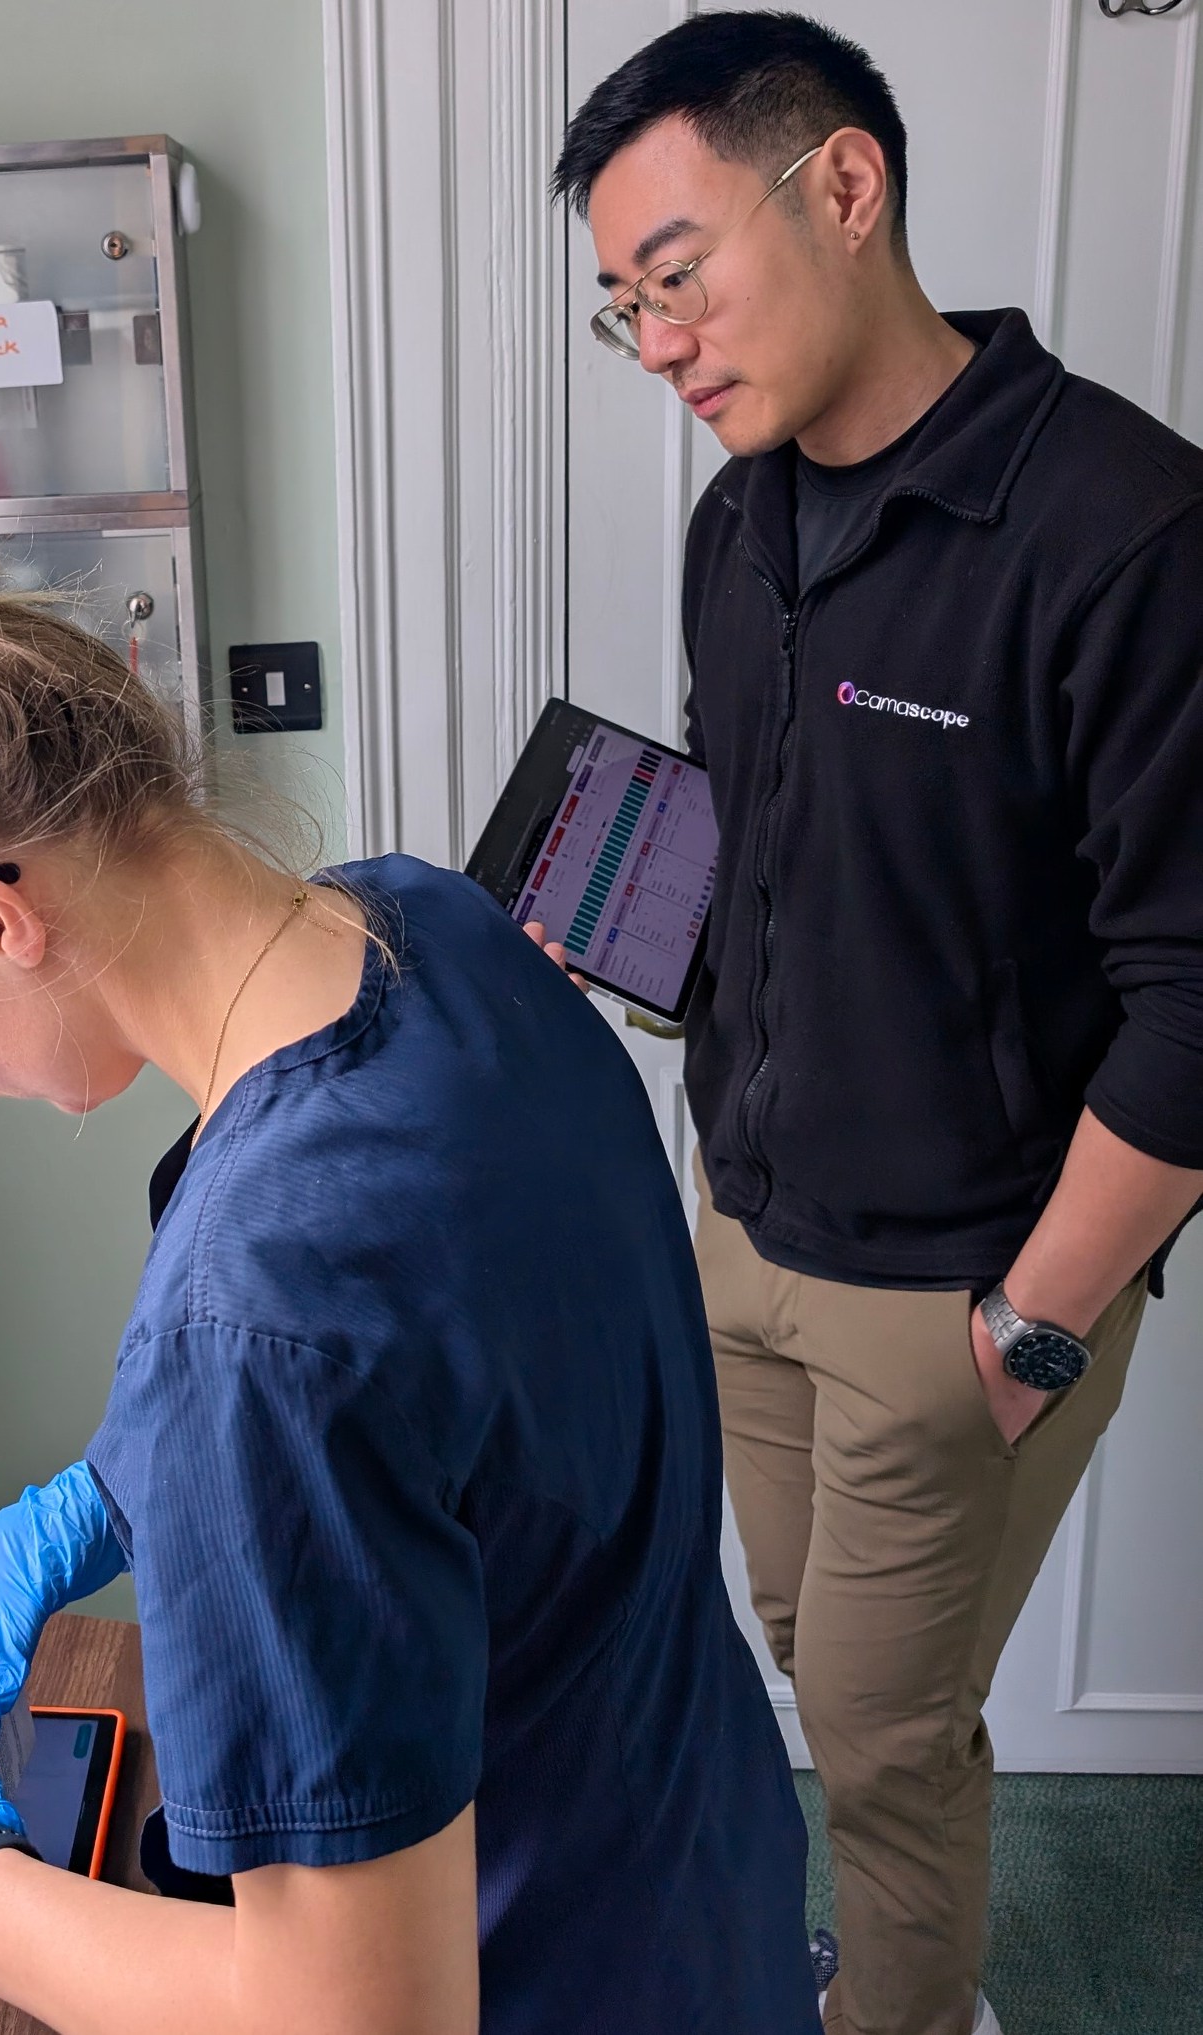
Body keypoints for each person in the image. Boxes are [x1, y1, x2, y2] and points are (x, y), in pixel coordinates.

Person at [0, 439, 815, 2033]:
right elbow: (452, 1374)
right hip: (697, 1881)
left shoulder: (252, 1325)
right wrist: (108, 1495)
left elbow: (353, 2024)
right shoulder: (437, 929)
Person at [545, 15, 1203, 2035]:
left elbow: (1197, 993)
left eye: (675, 275)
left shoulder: (1129, 531)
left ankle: (903, 2013)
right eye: (617, 306)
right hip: (741, 1223)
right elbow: (782, 839)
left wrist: (1028, 1326)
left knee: (877, 1727)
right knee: (797, 1637)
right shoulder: (734, 524)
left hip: (960, 1280)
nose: (653, 342)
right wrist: (629, 921)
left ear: (842, 187)